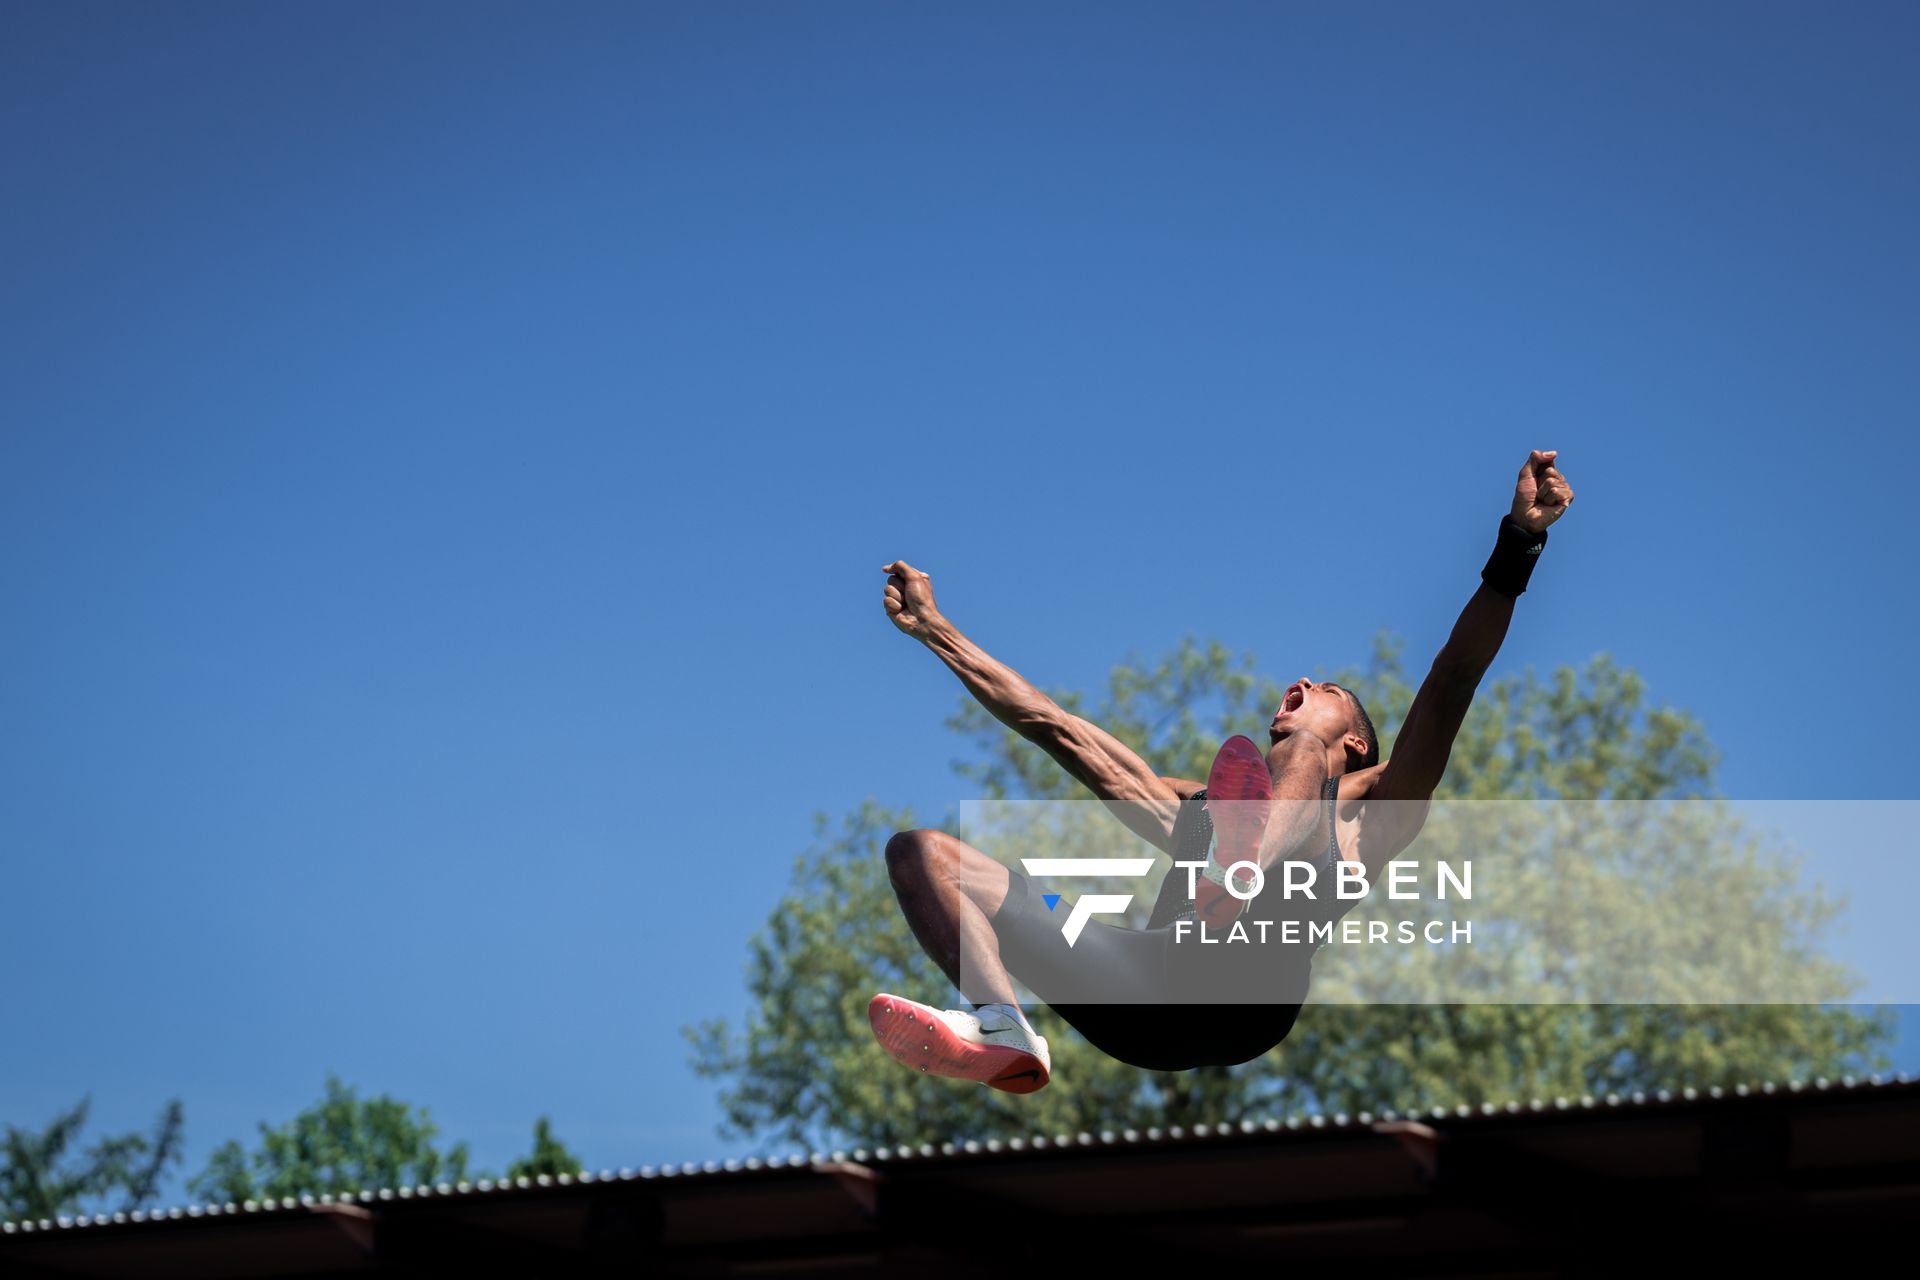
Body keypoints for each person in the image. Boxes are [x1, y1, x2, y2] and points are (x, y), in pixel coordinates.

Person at [871, 450, 1575, 1092]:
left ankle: (1239, 873)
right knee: (923, 855)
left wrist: (1520, 543)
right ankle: (1000, 1024)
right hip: (1143, 999)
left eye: (1324, 691)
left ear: (1357, 744)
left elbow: (1452, 679)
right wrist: (939, 631)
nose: (1299, 683)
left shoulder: (1380, 806)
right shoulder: (1200, 805)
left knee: (1296, 759)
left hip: (1250, 996)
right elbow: (1058, 728)